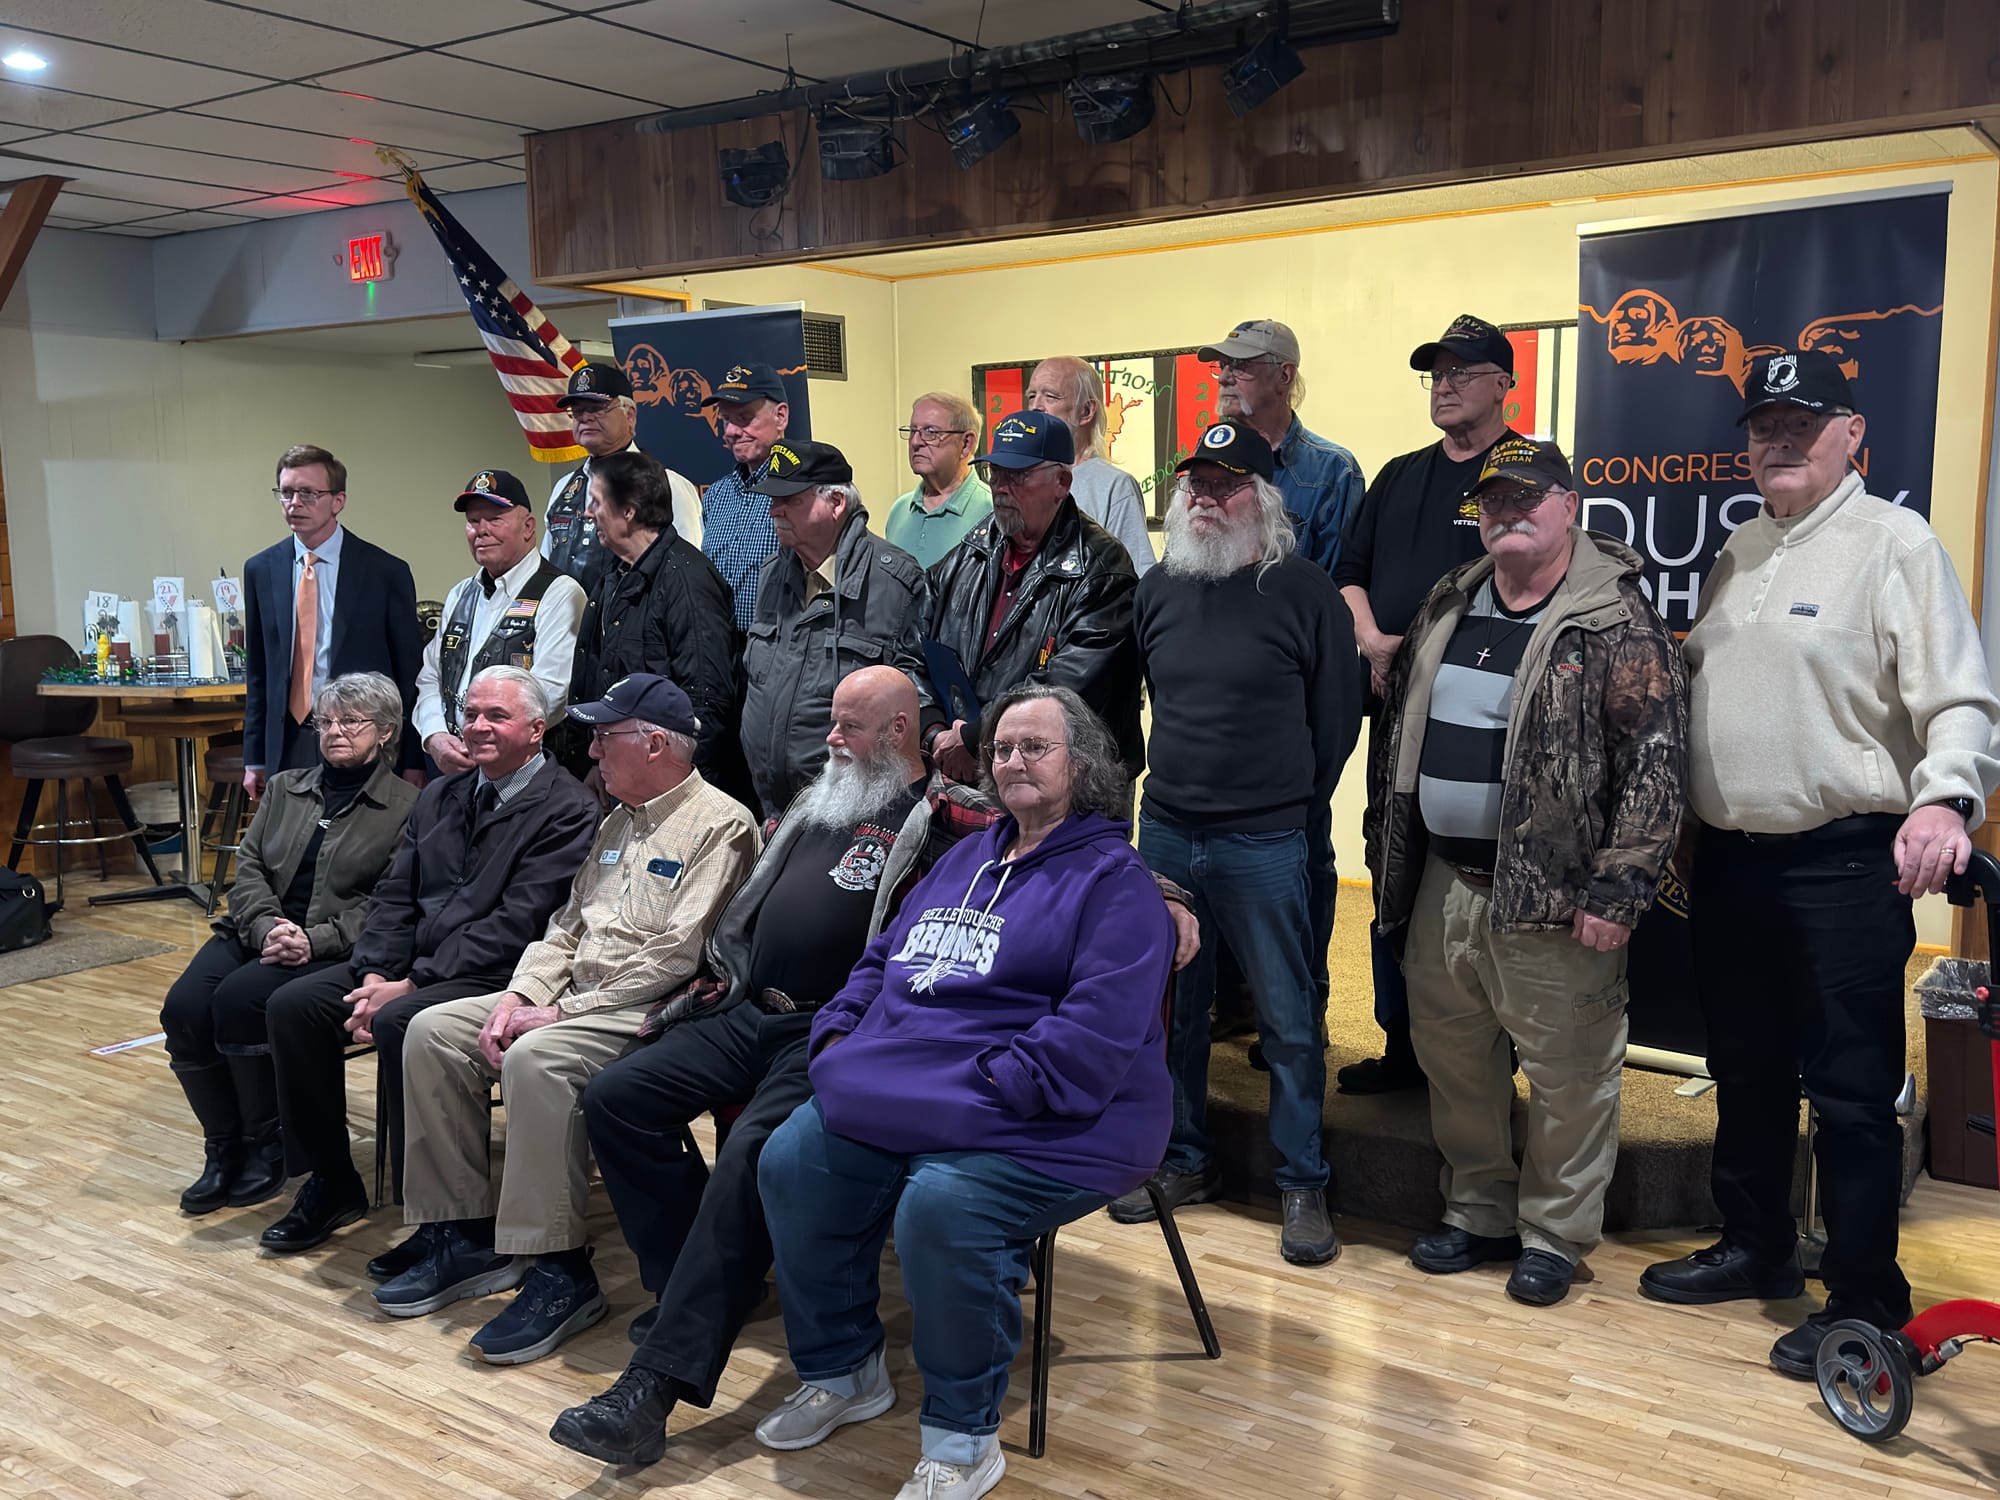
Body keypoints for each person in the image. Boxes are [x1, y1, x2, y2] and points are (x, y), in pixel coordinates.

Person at [1638, 351, 2000, 1373]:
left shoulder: (1894, 543)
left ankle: (1864, 1298)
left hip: (1843, 865)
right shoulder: (1738, 551)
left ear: (1849, 433)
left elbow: (1957, 696)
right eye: (1761, 425)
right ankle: (1754, 1249)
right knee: (1744, 1072)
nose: (1778, 440)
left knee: (1849, 1094)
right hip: (1733, 867)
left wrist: (1943, 797)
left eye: (1802, 421)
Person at [753, 683, 1173, 1500]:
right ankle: (843, 1373)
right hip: (921, 1092)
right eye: (1002, 747)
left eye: (1035, 747)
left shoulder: (1114, 882)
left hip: (1060, 1118)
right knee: (792, 1161)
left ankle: (961, 1437)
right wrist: (839, 1032)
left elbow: (1089, 1044)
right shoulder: (963, 857)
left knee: (943, 1204)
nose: (1012, 760)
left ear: (1081, 764)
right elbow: (880, 964)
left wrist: (974, 1090)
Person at [547, 667, 932, 1467]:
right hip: (745, 1006)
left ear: (898, 732)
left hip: (829, 1031)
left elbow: (1067, 845)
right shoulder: (820, 800)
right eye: (831, 722)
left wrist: (1168, 892)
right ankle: (698, 1282)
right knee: (617, 1095)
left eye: (849, 727)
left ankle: (653, 1389)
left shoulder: (942, 817)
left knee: (750, 1155)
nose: (830, 740)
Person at [1369, 437, 1688, 1307]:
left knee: (1569, 1070)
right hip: (1445, 880)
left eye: (1526, 496)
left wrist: (1620, 889)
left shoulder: (1614, 618)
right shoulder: (1451, 599)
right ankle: (1479, 1209)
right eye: (1493, 500)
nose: (1507, 511)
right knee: (1454, 1055)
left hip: (1557, 892)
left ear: (1569, 503)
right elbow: (1398, 732)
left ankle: (1554, 1232)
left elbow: (1655, 766)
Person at [372, 674, 759, 1366]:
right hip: (568, 996)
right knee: (432, 1032)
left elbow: (680, 953)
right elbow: (564, 928)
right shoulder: (616, 819)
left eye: (606, 738)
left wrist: (557, 1013)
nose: (593, 750)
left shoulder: (722, 823)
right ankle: (461, 1232)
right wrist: (521, 997)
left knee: (536, 1060)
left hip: (646, 1008)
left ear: (657, 744)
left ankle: (559, 1268)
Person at [1111, 423, 1360, 1265]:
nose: (1208, 499)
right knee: (1174, 1012)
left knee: (1289, 1020)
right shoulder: (1158, 591)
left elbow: (1334, 724)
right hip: (1169, 834)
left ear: (1265, 498)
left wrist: (1287, 804)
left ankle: (1302, 1182)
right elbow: (1147, 700)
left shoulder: (1305, 591)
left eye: (1228, 485)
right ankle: (1186, 1160)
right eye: (1197, 486)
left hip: (1266, 838)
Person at [255, 668, 601, 1254]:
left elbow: (519, 924)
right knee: (293, 1006)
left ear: (538, 730)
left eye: (497, 716)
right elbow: (392, 893)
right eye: (471, 714)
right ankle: (331, 1180)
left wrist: (412, 983)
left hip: (496, 972)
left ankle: (442, 1214)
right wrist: (375, 974)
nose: (478, 726)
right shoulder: (442, 793)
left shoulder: (567, 807)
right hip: (409, 964)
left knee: (400, 1019)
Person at [1332, 314, 1522, 1095]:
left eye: (1463, 371)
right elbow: (1348, 570)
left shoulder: (1523, 475)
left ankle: (1486, 1062)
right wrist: (1373, 639)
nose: (1444, 384)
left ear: (1505, 383)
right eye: (1435, 372)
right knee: (1393, 866)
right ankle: (1402, 1045)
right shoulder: (1400, 474)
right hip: (1395, 718)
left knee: (1479, 884)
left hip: (1480, 727)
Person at [159, 673, 418, 1216]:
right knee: (182, 1008)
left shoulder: (408, 807)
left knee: (237, 999)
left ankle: (265, 1141)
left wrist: (314, 940)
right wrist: (268, 927)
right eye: (326, 721)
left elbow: (388, 901)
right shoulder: (285, 786)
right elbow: (247, 866)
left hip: (334, 948)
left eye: (351, 722)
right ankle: (222, 1147)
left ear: (387, 731)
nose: (335, 732)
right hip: (259, 930)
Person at [922, 410, 1142, 789]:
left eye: (1018, 476)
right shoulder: (969, 552)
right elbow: (911, 647)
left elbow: (1067, 690)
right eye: (996, 474)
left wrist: (976, 738)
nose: (1001, 487)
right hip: (963, 774)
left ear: (1061, 482)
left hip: (1065, 789)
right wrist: (934, 730)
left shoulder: (1102, 569)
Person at [740, 438, 931, 820]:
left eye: (790, 499)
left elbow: (916, 700)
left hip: (856, 811)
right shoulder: (772, 577)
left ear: (836, 503)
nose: (774, 510)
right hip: (772, 809)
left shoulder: (894, 584)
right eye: (773, 499)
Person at [243, 444, 424, 795]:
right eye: (286, 493)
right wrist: (254, 758)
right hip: (290, 734)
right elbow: (259, 672)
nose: (295, 503)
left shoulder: (384, 571)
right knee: (289, 842)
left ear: (338, 501)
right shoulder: (260, 570)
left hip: (360, 736)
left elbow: (409, 674)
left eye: (308, 493)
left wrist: (413, 758)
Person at [566, 451, 741, 791]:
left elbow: (707, 703)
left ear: (628, 511)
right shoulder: (613, 576)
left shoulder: (688, 582)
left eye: (597, 502)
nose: (588, 514)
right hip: (625, 777)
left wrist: (677, 784)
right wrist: (598, 760)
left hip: (670, 786)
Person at [413, 469, 586, 778]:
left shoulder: (559, 592)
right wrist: (435, 735)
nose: (482, 530)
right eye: (473, 521)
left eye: (495, 519)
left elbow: (554, 691)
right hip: (455, 768)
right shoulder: (460, 594)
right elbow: (431, 678)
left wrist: (485, 740)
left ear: (528, 527)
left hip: (528, 773)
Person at [1195, 319, 1363, 575]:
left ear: (1284, 375)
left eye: (1240, 365)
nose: (1225, 378)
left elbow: (1339, 582)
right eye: (1222, 366)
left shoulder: (1333, 470)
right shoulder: (1207, 451)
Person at [542, 360, 700, 583]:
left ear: (630, 415)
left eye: (597, 408)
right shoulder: (564, 487)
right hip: (566, 617)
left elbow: (688, 569)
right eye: (577, 411)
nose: (585, 418)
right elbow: (545, 566)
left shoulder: (668, 484)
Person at [1023, 355, 1157, 574]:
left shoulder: (1115, 486)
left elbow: (1133, 577)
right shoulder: (1019, 479)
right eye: (1031, 396)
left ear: (1085, 411)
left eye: (1050, 396)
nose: (1036, 407)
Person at [698, 361, 789, 632]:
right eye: (726, 419)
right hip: (721, 654)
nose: (730, 431)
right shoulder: (716, 495)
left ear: (780, 417)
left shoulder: (803, 493)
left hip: (781, 655)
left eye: (744, 418)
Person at [885, 392, 992, 568]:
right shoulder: (900, 508)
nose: (915, 442)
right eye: (913, 431)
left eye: (931, 432)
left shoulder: (992, 512)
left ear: (966, 444)